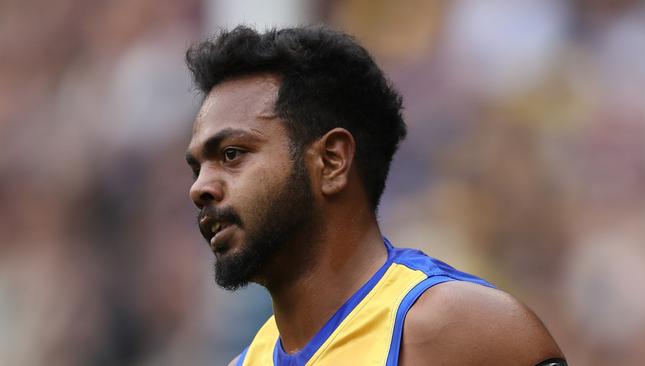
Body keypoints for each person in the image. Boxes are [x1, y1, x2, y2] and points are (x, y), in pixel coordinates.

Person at [184, 26, 566, 366]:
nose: (199, 187)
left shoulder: (466, 332)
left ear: (332, 161)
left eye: (231, 154)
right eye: (197, 167)